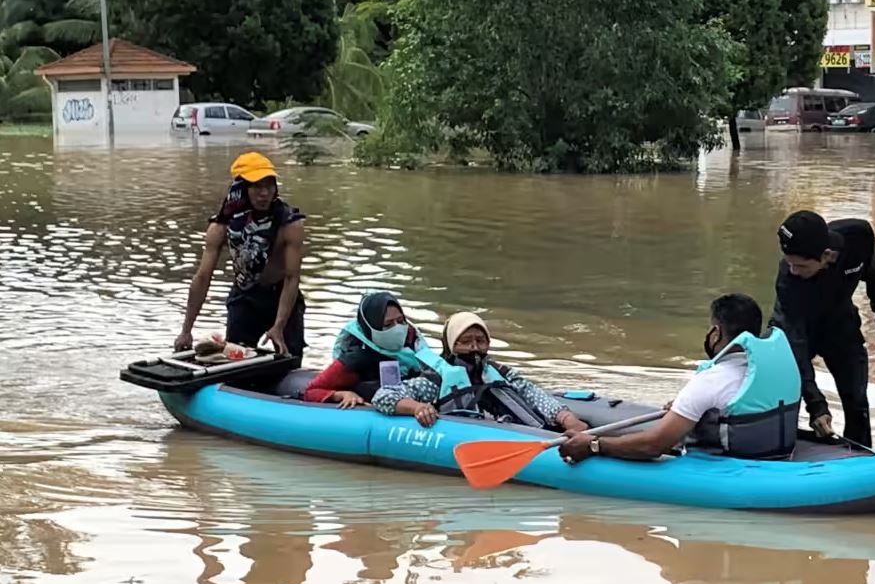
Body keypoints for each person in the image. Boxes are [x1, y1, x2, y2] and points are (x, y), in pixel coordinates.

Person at [558, 293, 801, 464]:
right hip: (775, 453)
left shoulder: (710, 381)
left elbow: (654, 446)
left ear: (716, 333)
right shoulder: (781, 369)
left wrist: (594, 445)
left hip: (725, 466)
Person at [769, 210, 875, 448]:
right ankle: (783, 451)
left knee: (857, 401)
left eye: (801, 265)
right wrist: (817, 406)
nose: (793, 270)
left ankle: (861, 455)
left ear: (826, 255)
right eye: (789, 262)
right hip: (795, 329)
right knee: (787, 392)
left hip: (840, 324)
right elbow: (796, 346)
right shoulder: (788, 280)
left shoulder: (858, 236)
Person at [173, 152, 306, 357]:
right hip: (246, 296)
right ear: (242, 189)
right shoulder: (221, 226)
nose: (264, 193)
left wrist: (279, 325)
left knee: (290, 358)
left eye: (269, 186)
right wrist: (186, 330)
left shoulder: (289, 223)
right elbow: (202, 277)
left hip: (281, 296)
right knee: (237, 359)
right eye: (256, 186)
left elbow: (292, 277)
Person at [372, 312, 589, 432]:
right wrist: (418, 407)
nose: (474, 348)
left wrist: (566, 417)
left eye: (480, 341)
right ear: (450, 346)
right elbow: (384, 396)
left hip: (522, 431)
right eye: (465, 342)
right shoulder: (436, 381)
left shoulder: (499, 372)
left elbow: (533, 394)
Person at [302, 291, 431, 407]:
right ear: (371, 327)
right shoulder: (355, 360)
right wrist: (342, 395)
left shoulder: (414, 346)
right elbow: (311, 391)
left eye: (401, 321)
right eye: (388, 324)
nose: (397, 328)